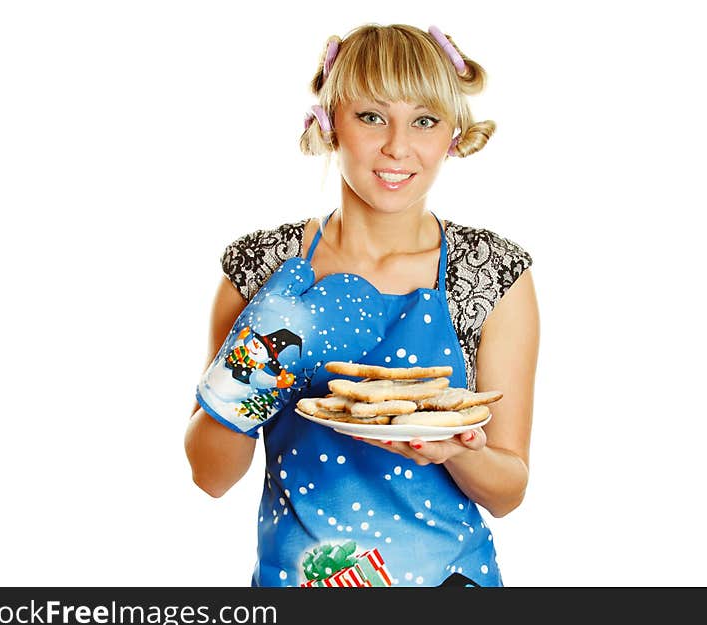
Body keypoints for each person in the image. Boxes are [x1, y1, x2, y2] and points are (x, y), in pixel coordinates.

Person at [184, 23, 539, 587]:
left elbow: (509, 490)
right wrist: (261, 356)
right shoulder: (263, 266)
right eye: (371, 116)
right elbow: (210, 475)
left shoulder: (490, 272)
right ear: (329, 125)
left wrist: (452, 449)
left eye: (424, 120)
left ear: (451, 134)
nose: (398, 146)